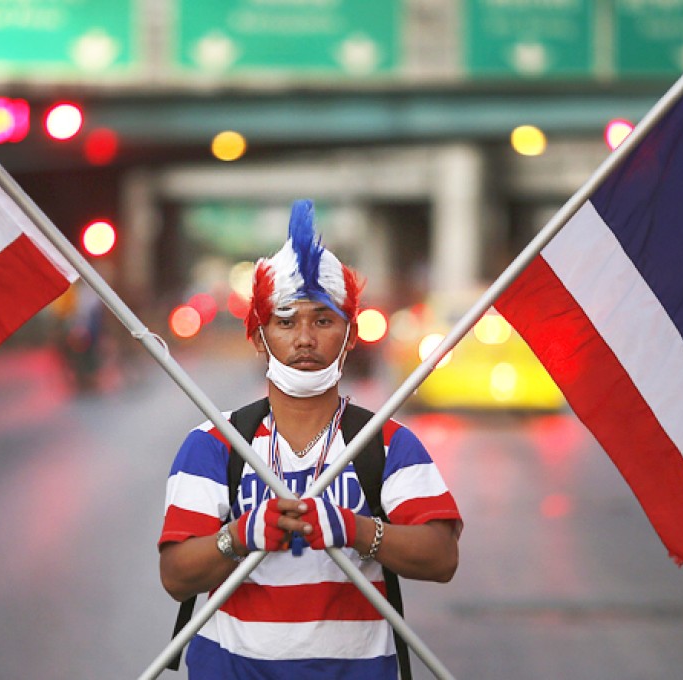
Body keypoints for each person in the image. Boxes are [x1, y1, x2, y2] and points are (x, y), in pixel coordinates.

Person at [158, 199, 462, 679]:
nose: (304, 339)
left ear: (350, 335)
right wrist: (239, 536)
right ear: (259, 337)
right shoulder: (214, 444)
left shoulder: (387, 445)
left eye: (323, 321)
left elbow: (442, 558)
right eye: (284, 322)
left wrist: (356, 530)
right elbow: (176, 578)